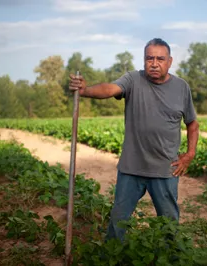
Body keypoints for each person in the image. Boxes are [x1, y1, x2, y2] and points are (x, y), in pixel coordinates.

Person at [69, 38, 199, 242]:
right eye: (149, 58)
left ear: (170, 61)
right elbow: (110, 89)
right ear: (144, 60)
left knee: (169, 225)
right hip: (131, 169)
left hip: (165, 169)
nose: (154, 63)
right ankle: (111, 256)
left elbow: (192, 124)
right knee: (118, 221)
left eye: (160, 59)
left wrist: (190, 154)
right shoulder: (132, 80)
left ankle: (171, 257)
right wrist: (86, 91)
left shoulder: (182, 87)